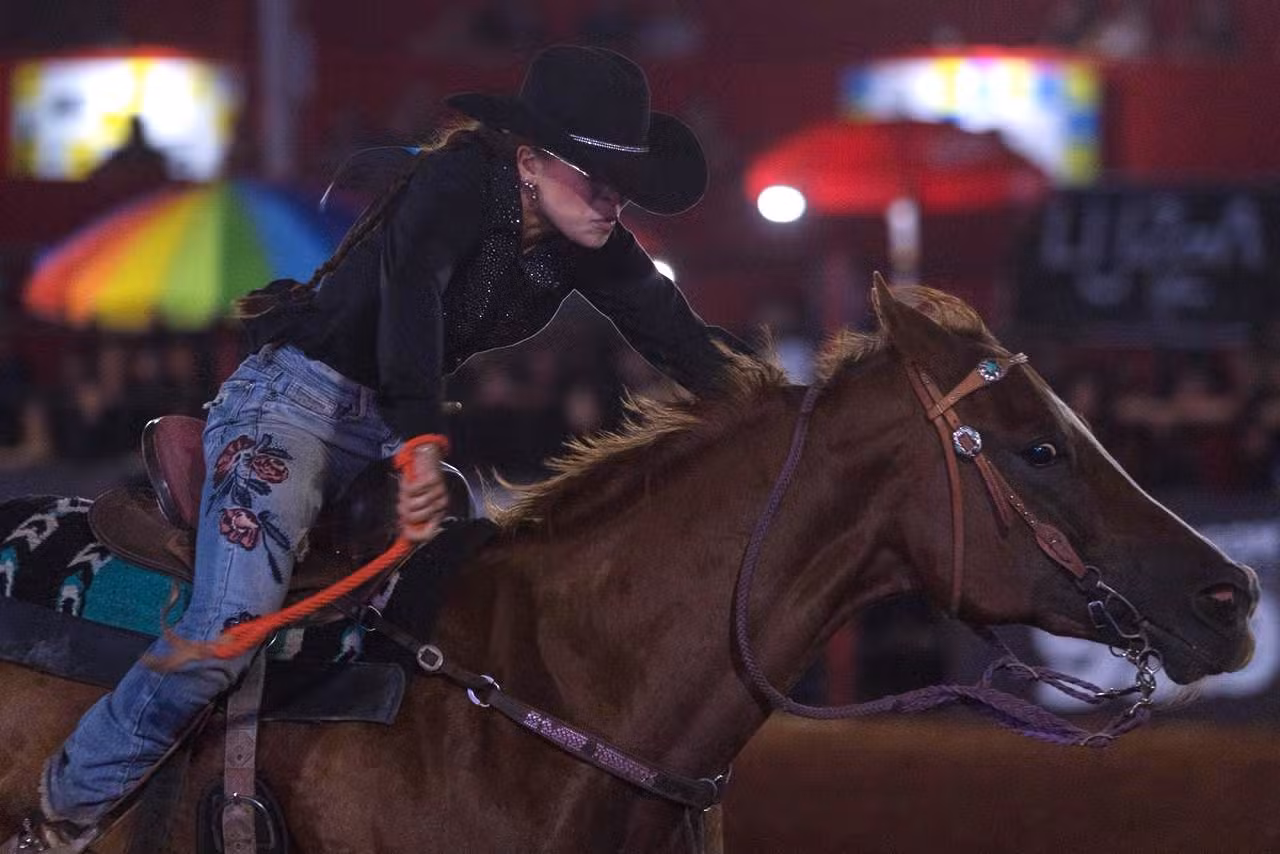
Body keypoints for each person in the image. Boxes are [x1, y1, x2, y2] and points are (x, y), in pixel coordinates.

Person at [5, 44, 750, 852]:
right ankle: (61, 813)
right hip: (290, 406)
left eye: (623, 182)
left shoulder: (588, 242)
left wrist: (770, 400)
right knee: (230, 625)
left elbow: (668, 325)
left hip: (388, 425)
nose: (613, 199)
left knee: (460, 609)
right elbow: (412, 295)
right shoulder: (457, 182)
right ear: (531, 161)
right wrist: (420, 439)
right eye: (596, 174)